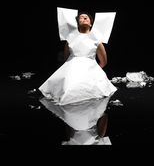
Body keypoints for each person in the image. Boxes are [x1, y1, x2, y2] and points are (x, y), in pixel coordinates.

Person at [39, 7, 117, 144]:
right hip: (73, 68)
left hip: (90, 69)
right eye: (81, 17)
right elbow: (66, 59)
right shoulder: (70, 39)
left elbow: (103, 61)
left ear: (91, 23)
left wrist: (95, 73)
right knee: (69, 91)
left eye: (86, 17)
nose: (84, 18)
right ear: (77, 23)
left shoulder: (96, 39)